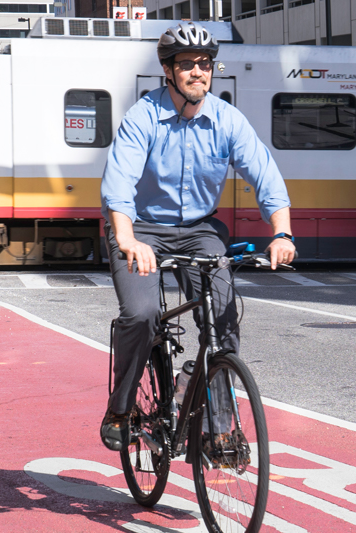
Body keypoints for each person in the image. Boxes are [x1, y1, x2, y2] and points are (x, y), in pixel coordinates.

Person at [99, 21, 296, 451]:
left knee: (223, 319)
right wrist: (128, 240)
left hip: (200, 231)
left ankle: (220, 428)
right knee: (142, 312)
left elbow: (265, 175)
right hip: (142, 227)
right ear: (168, 71)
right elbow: (118, 186)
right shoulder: (143, 118)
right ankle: (121, 406)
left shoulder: (227, 120)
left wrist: (281, 233)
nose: (197, 72)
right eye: (187, 64)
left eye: (204, 64)